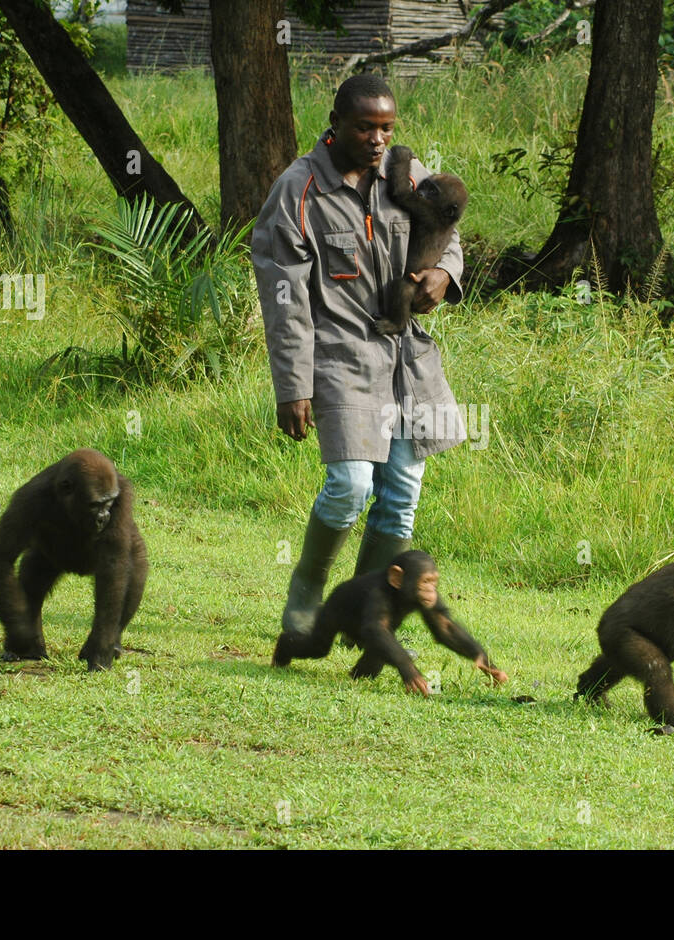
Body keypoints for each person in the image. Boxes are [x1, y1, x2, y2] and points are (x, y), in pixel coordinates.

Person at [252, 74, 467, 637]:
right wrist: (292, 386)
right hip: (340, 358)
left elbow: (451, 228)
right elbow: (285, 299)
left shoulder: (406, 174)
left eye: (387, 127)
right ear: (336, 122)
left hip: (408, 360)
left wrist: (444, 273)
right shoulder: (299, 190)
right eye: (365, 127)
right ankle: (305, 595)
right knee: (350, 484)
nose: (378, 139)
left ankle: (364, 616)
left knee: (401, 497)